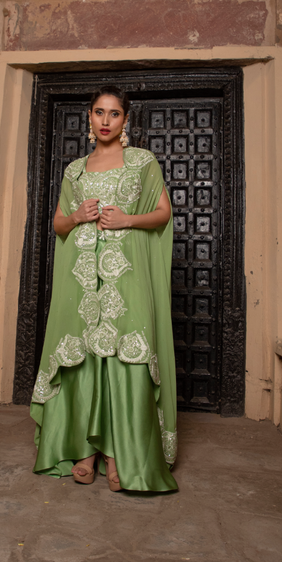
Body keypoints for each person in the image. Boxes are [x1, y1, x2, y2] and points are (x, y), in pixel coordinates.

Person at [30, 85, 178, 492]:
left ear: (126, 120)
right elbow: (59, 225)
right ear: (89, 117)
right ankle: (84, 451)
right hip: (81, 278)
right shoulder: (74, 171)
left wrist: (128, 220)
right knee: (84, 359)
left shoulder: (142, 162)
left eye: (115, 114)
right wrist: (77, 214)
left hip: (126, 275)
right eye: (99, 112)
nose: (106, 121)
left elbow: (163, 214)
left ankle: (121, 454)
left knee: (124, 356)